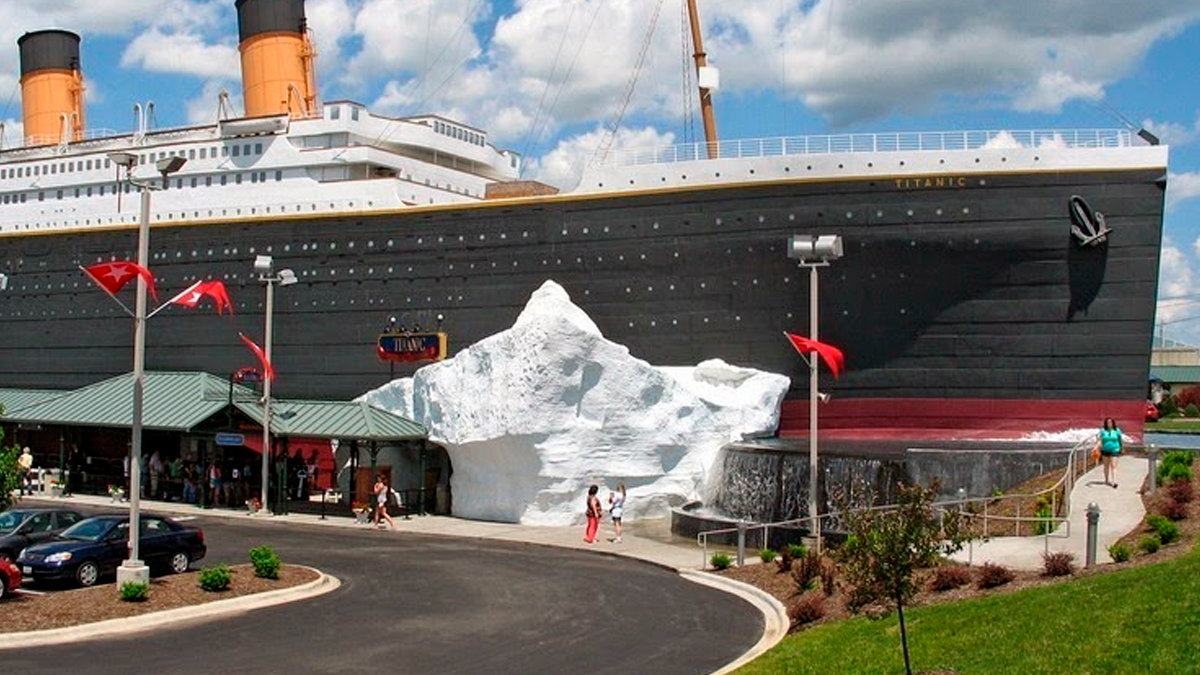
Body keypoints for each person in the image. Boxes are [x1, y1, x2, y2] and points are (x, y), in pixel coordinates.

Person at [1095, 417, 1123, 488]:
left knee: (1113, 466)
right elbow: (1100, 440)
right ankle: (1106, 480)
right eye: (1107, 422)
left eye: (1110, 422)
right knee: (1106, 466)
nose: (1109, 424)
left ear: (1113, 423)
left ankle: (1114, 482)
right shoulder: (1103, 431)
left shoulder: (1117, 430)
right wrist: (1096, 447)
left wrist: (1121, 448)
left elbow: (1120, 440)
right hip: (1105, 450)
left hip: (1115, 449)